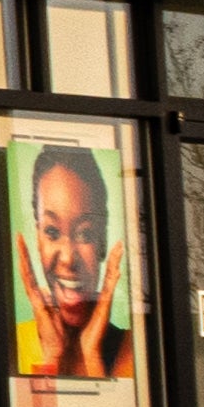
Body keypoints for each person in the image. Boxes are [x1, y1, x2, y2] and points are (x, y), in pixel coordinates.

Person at [13, 140, 133, 380]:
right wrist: (53, 357)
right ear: (38, 240)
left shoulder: (132, 348)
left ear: (102, 241)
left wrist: (91, 355)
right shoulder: (13, 343)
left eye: (85, 233)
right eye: (52, 233)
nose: (68, 258)